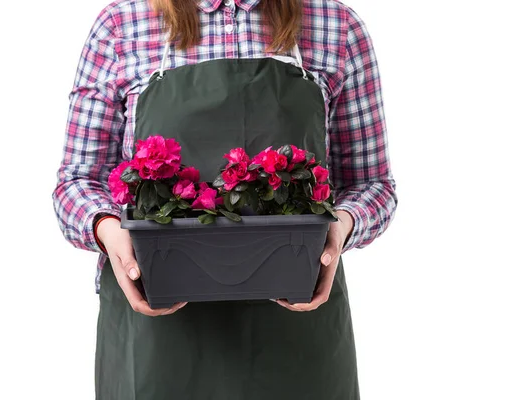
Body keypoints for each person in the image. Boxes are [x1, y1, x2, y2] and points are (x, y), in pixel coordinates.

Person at [52, 0, 397, 398]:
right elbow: (77, 182)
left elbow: (373, 184)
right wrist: (109, 233)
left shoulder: (335, 25)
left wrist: (338, 230)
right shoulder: (122, 24)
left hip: (296, 338)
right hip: (157, 341)